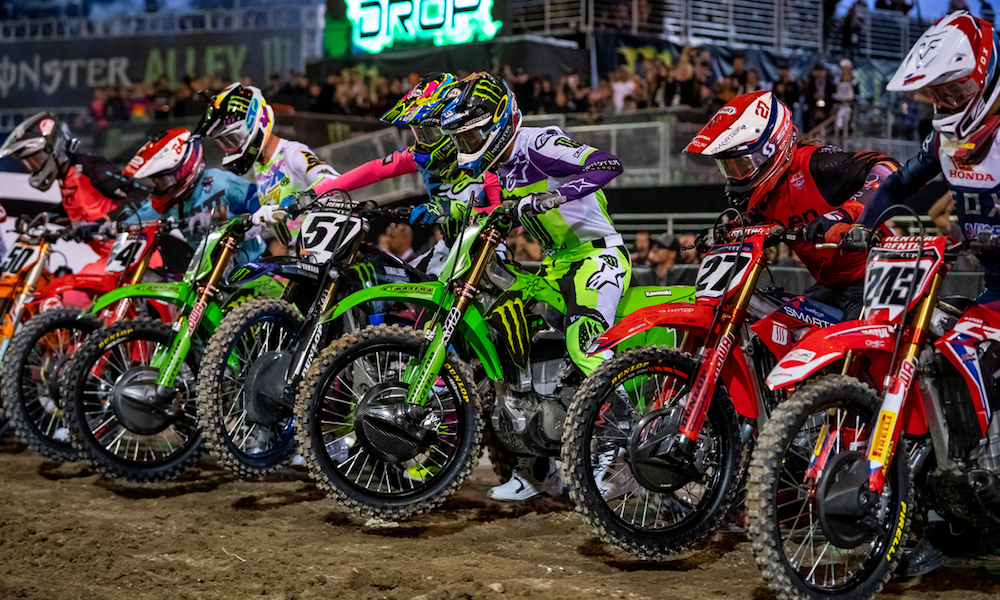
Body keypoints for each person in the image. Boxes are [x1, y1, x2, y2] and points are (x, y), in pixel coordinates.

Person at [439, 71, 630, 502]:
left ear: (499, 123)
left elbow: (606, 164)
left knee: (586, 344)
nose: (467, 148)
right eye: (461, 140)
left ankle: (620, 452)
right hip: (553, 266)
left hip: (596, 255)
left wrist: (554, 197)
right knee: (511, 343)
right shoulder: (498, 168)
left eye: (471, 137)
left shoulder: (538, 142)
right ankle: (536, 469)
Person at [858, 15, 1000, 575]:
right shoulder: (946, 137)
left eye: (955, 87)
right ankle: (949, 520)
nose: (945, 99)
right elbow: (896, 183)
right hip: (992, 285)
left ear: (984, 76)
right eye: (936, 91)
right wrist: (857, 225)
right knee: (935, 355)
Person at [686, 91, 900, 319]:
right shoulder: (763, 194)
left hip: (879, 275)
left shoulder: (815, 164)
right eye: (728, 169)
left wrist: (843, 215)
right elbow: (753, 222)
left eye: (741, 165)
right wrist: (725, 231)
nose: (736, 176)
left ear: (769, 149)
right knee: (782, 326)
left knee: (849, 350)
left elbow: (890, 168)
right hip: (831, 284)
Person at [325, 73, 502, 274]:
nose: (423, 142)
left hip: (488, 251)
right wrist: (317, 191)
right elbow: (374, 170)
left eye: (428, 133)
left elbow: (502, 215)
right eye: (419, 133)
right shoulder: (418, 157)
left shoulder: (484, 156)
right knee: (380, 283)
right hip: (447, 249)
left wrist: (453, 209)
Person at [195, 83, 341, 255]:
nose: (230, 148)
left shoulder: (292, 153)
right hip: (298, 257)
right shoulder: (261, 167)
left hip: (325, 252)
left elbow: (332, 181)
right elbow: (269, 217)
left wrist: (288, 204)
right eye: (225, 143)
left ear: (254, 122)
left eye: (233, 139)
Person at [0, 111, 149, 258]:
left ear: (54, 148)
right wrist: (37, 220)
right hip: (113, 260)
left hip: (137, 257)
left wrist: (105, 221)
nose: (33, 166)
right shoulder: (65, 177)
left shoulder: (91, 167)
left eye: (36, 159)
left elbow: (141, 195)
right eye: (29, 162)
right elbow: (75, 209)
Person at [123, 128, 265, 264]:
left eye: (163, 181)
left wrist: (235, 221)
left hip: (249, 265)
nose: (159, 187)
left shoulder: (221, 183)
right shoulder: (169, 201)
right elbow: (140, 217)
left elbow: (261, 204)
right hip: (202, 272)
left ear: (185, 169)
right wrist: (112, 226)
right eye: (155, 182)